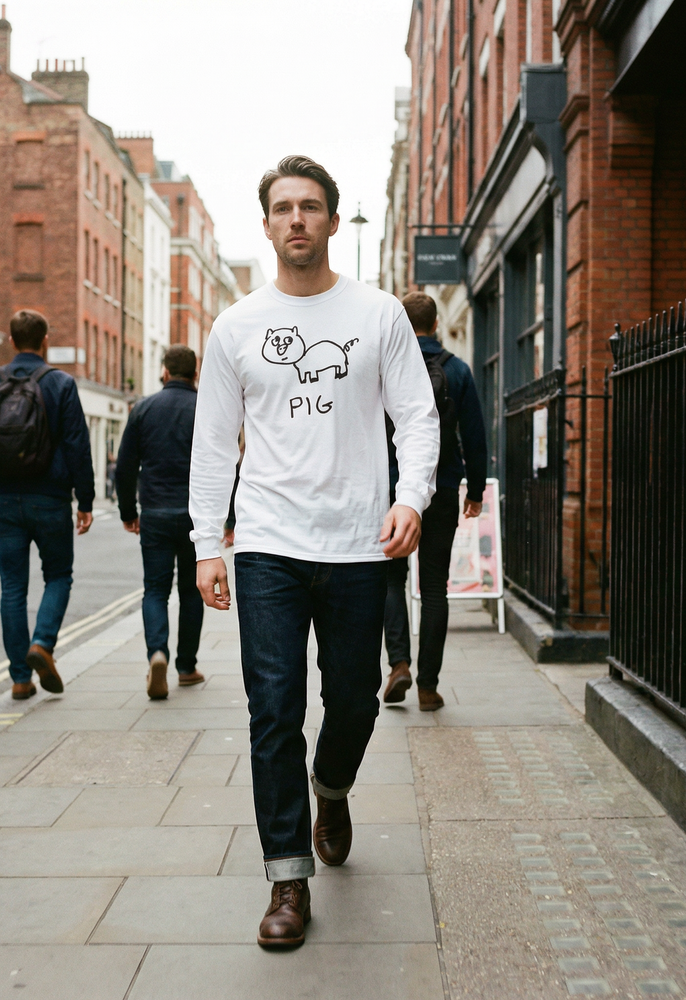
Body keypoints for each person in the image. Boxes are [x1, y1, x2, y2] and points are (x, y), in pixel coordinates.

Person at [189, 155, 439, 949]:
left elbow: (418, 417)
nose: (297, 219)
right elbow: (211, 447)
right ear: (266, 225)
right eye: (283, 208)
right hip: (267, 544)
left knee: (357, 699)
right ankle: (287, 879)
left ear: (331, 220)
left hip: (360, 544)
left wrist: (412, 496)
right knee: (273, 710)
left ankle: (331, 789)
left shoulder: (378, 315)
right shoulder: (236, 327)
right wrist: (206, 543)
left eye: (311, 207)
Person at [0, 309, 95, 700]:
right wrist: (85, 500)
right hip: (50, 498)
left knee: (12, 587)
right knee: (58, 575)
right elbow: (77, 445)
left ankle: (20, 678)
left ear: (10, 340)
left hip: (4, 499)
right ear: (45, 341)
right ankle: (42, 642)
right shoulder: (60, 384)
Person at [381, 292, 489, 710]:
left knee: (392, 580)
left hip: (394, 492)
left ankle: (399, 664)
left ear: (402, 326)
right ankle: (428, 687)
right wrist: (476, 492)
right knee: (434, 589)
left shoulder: (388, 370)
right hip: (442, 489)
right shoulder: (458, 370)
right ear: (437, 323)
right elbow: (475, 439)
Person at [116, 344, 205, 699]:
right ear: (195, 373)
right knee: (190, 590)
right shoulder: (204, 407)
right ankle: (186, 666)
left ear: (165, 371)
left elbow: (124, 467)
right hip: (195, 515)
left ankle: (157, 652)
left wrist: (128, 512)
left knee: (155, 589)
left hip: (154, 512)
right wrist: (228, 517)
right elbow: (224, 462)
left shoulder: (143, 409)